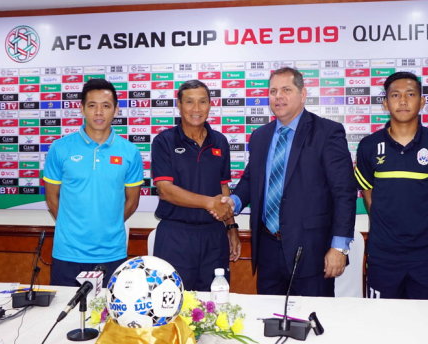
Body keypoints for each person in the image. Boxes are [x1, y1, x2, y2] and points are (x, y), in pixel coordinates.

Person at [225, 67, 356, 297]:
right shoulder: (260, 136)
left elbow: (344, 192)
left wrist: (339, 247)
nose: (278, 96)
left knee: (312, 316)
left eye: (286, 90)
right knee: (269, 315)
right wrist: (233, 202)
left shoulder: (327, 132)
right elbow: (251, 178)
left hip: (312, 252)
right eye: (273, 91)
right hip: (267, 249)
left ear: (302, 94)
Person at [355, 72, 428, 299]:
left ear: (422, 101)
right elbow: (369, 195)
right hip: (383, 255)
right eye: (395, 95)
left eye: (410, 94)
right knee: (383, 318)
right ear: (385, 103)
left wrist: (422, 221)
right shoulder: (369, 145)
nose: (402, 101)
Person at [43, 79, 143, 286]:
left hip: (112, 253)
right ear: (82, 109)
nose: (99, 112)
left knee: (108, 308)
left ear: (116, 110)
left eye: (105, 106)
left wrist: (108, 225)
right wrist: (72, 227)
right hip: (68, 253)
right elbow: (52, 199)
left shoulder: (130, 151)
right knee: (65, 307)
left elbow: (132, 202)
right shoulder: (60, 148)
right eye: (92, 105)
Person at [151, 80, 239, 291]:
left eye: (202, 102)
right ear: (179, 105)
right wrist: (209, 203)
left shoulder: (220, 141)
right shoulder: (164, 141)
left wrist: (231, 227)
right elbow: (165, 191)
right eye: (189, 102)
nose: (196, 109)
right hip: (175, 235)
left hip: (214, 236)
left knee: (215, 301)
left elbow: (223, 189)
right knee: (172, 300)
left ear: (210, 104)